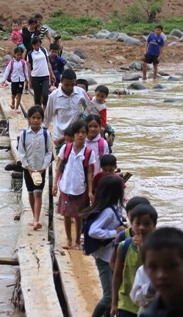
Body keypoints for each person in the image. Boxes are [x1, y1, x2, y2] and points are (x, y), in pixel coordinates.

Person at [80, 175, 127, 317]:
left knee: (114, 294)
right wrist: (115, 232)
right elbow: (94, 231)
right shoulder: (108, 212)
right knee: (109, 297)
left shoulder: (113, 208)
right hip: (104, 259)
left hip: (110, 257)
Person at [53, 120, 95, 250]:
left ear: (87, 134)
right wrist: (55, 184)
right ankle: (69, 239)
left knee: (78, 216)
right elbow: (59, 166)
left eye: (83, 132)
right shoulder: (66, 148)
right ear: (74, 134)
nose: (80, 135)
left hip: (80, 188)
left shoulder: (88, 152)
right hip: (66, 186)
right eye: (78, 132)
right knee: (66, 214)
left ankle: (77, 241)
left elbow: (89, 173)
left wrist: (90, 191)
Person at [112, 204, 158, 317]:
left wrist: (142, 249)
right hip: (126, 303)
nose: (142, 227)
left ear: (154, 226)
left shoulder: (159, 250)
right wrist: (114, 303)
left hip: (148, 303)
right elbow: (117, 275)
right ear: (131, 225)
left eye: (147, 224)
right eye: (137, 223)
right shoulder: (124, 246)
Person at [17, 106, 53, 230]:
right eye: (34, 118)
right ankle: (34, 216)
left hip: (40, 169)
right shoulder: (24, 134)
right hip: (28, 169)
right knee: (31, 193)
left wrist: (44, 167)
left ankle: (37, 219)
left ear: (42, 119)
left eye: (38, 118)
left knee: (38, 193)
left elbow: (49, 152)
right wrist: (27, 166)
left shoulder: (45, 134)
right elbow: (21, 152)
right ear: (29, 119)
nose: (36, 120)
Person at [44, 69, 90, 151]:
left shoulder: (81, 92)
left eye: (72, 84)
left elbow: (89, 108)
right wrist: (42, 134)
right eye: (66, 85)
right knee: (63, 161)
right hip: (61, 136)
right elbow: (48, 116)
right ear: (61, 81)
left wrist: (83, 117)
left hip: (77, 135)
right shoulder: (54, 96)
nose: (69, 87)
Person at [27, 36, 55, 108]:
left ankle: (45, 110)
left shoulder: (44, 50)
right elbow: (29, 68)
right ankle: (38, 110)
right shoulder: (30, 54)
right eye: (35, 45)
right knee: (37, 96)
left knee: (45, 94)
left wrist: (51, 74)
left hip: (45, 76)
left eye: (38, 45)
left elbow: (48, 62)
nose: (36, 46)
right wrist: (29, 81)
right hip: (35, 76)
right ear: (32, 45)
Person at [2, 46, 28, 113]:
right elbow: (7, 71)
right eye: (17, 55)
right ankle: (13, 100)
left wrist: (28, 79)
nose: (19, 56)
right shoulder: (12, 63)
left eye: (20, 55)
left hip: (21, 80)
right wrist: (4, 80)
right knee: (14, 94)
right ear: (14, 55)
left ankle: (17, 108)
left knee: (19, 93)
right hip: (14, 80)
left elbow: (26, 71)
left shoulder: (23, 63)